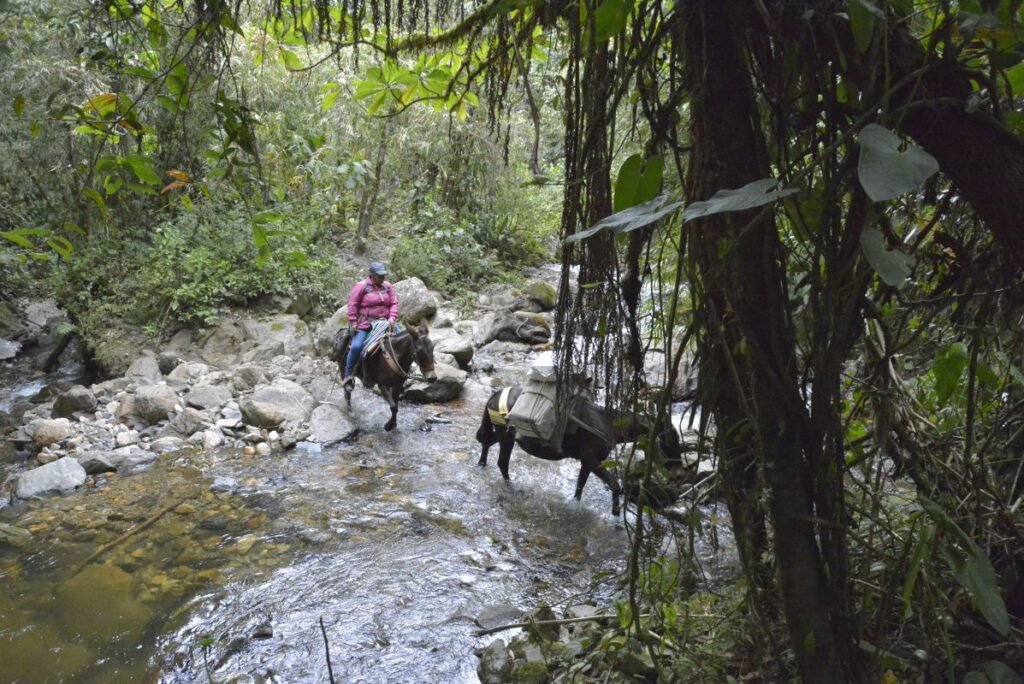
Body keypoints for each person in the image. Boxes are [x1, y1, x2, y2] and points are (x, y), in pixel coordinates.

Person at [343, 261, 399, 386]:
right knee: (357, 347)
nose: (383, 278)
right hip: (366, 324)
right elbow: (352, 304)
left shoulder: (387, 286)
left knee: (406, 340)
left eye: (384, 275)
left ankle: (403, 369)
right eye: (380, 276)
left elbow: (394, 303)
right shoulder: (361, 286)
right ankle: (348, 375)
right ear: (372, 275)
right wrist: (353, 321)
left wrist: (392, 317)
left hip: (386, 322)